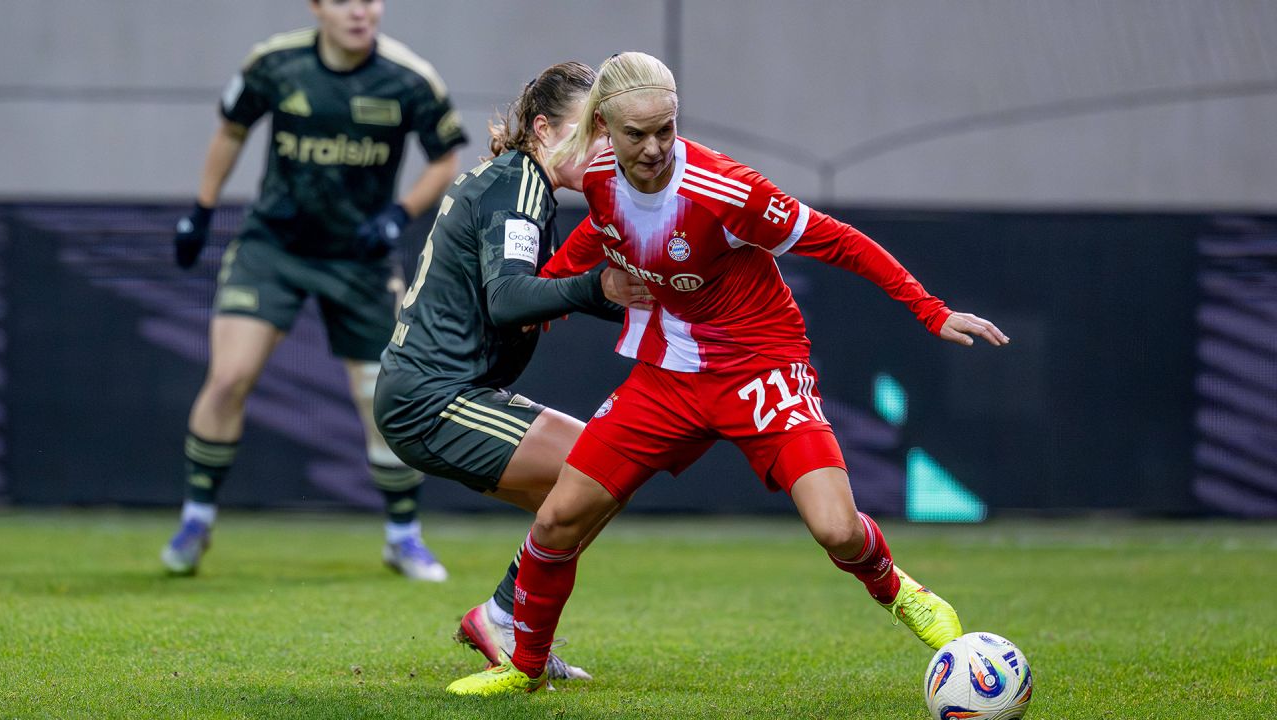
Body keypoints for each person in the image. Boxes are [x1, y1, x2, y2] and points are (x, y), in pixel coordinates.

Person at [445, 51, 1011, 696]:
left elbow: (840, 241)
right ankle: (523, 668)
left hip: (761, 369)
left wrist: (930, 311)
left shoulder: (726, 190)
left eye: (667, 127)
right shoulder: (598, 175)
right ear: (604, 126)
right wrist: (546, 296)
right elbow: (599, 235)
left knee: (836, 529)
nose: (656, 146)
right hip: (668, 379)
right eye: (637, 134)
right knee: (556, 520)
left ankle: (899, 591)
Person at [161, 0, 465, 581]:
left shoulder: (410, 77)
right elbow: (231, 129)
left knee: (382, 397)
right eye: (345, 1)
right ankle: (196, 520)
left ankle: (404, 537)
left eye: (371, 0)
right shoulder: (275, 63)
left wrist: (400, 215)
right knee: (228, 377)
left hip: (359, 257)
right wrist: (200, 213)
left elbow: (444, 159)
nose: (361, 12)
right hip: (273, 247)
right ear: (318, 7)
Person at [373, 61, 650, 682]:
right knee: (598, 467)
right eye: (591, 132)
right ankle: (503, 617)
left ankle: (509, 622)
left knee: (587, 497)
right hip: (431, 397)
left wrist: (644, 298)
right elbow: (510, 298)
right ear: (543, 128)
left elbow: (539, 293)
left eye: (607, 134)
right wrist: (599, 286)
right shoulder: (519, 185)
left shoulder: (520, 184)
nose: (603, 149)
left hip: (441, 392)